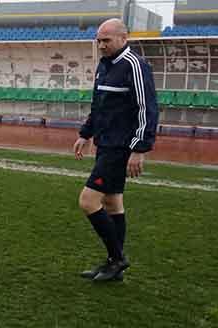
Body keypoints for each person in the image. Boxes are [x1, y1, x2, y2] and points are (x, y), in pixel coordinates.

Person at [73, 18, 157, 283]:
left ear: (124, 38)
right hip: (105, 143)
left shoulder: (135, 66)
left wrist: (139, 149)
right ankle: (114, 265)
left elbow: (147, 109)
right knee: (112, 202)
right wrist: (86, 134)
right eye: (99, 40)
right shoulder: (104, 65)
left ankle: (118, 258)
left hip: (120, 147)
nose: (101, 45)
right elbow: (99, 106)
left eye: (106, 40)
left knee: (88, 202)